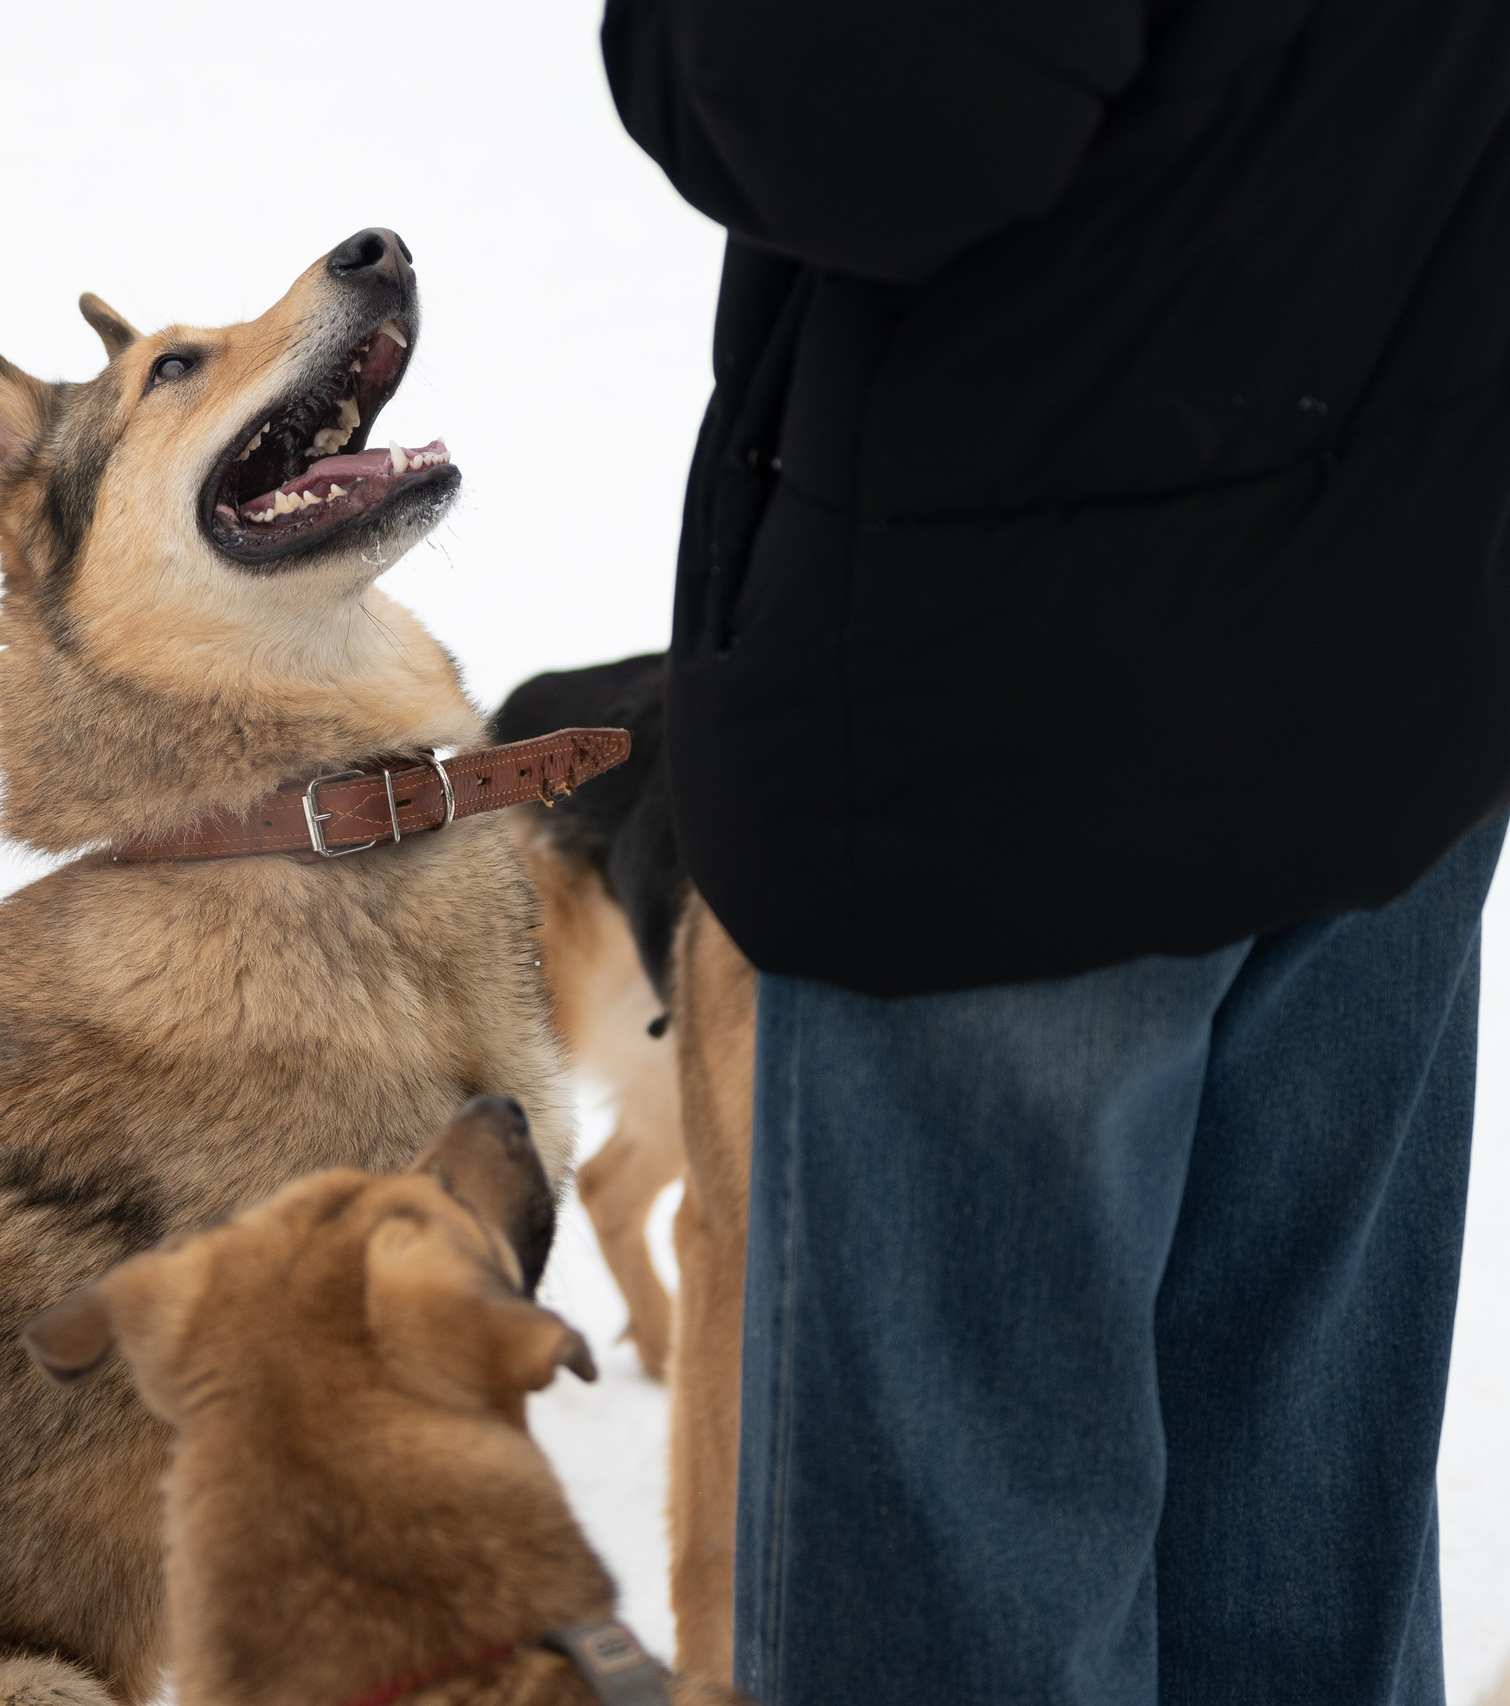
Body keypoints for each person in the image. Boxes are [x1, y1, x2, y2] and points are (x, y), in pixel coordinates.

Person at [599, 1, 1510, 1702]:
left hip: (1020, 744)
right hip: (1403, 650)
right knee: (1299, 1583)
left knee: (967, 1621)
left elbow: (857, 119)